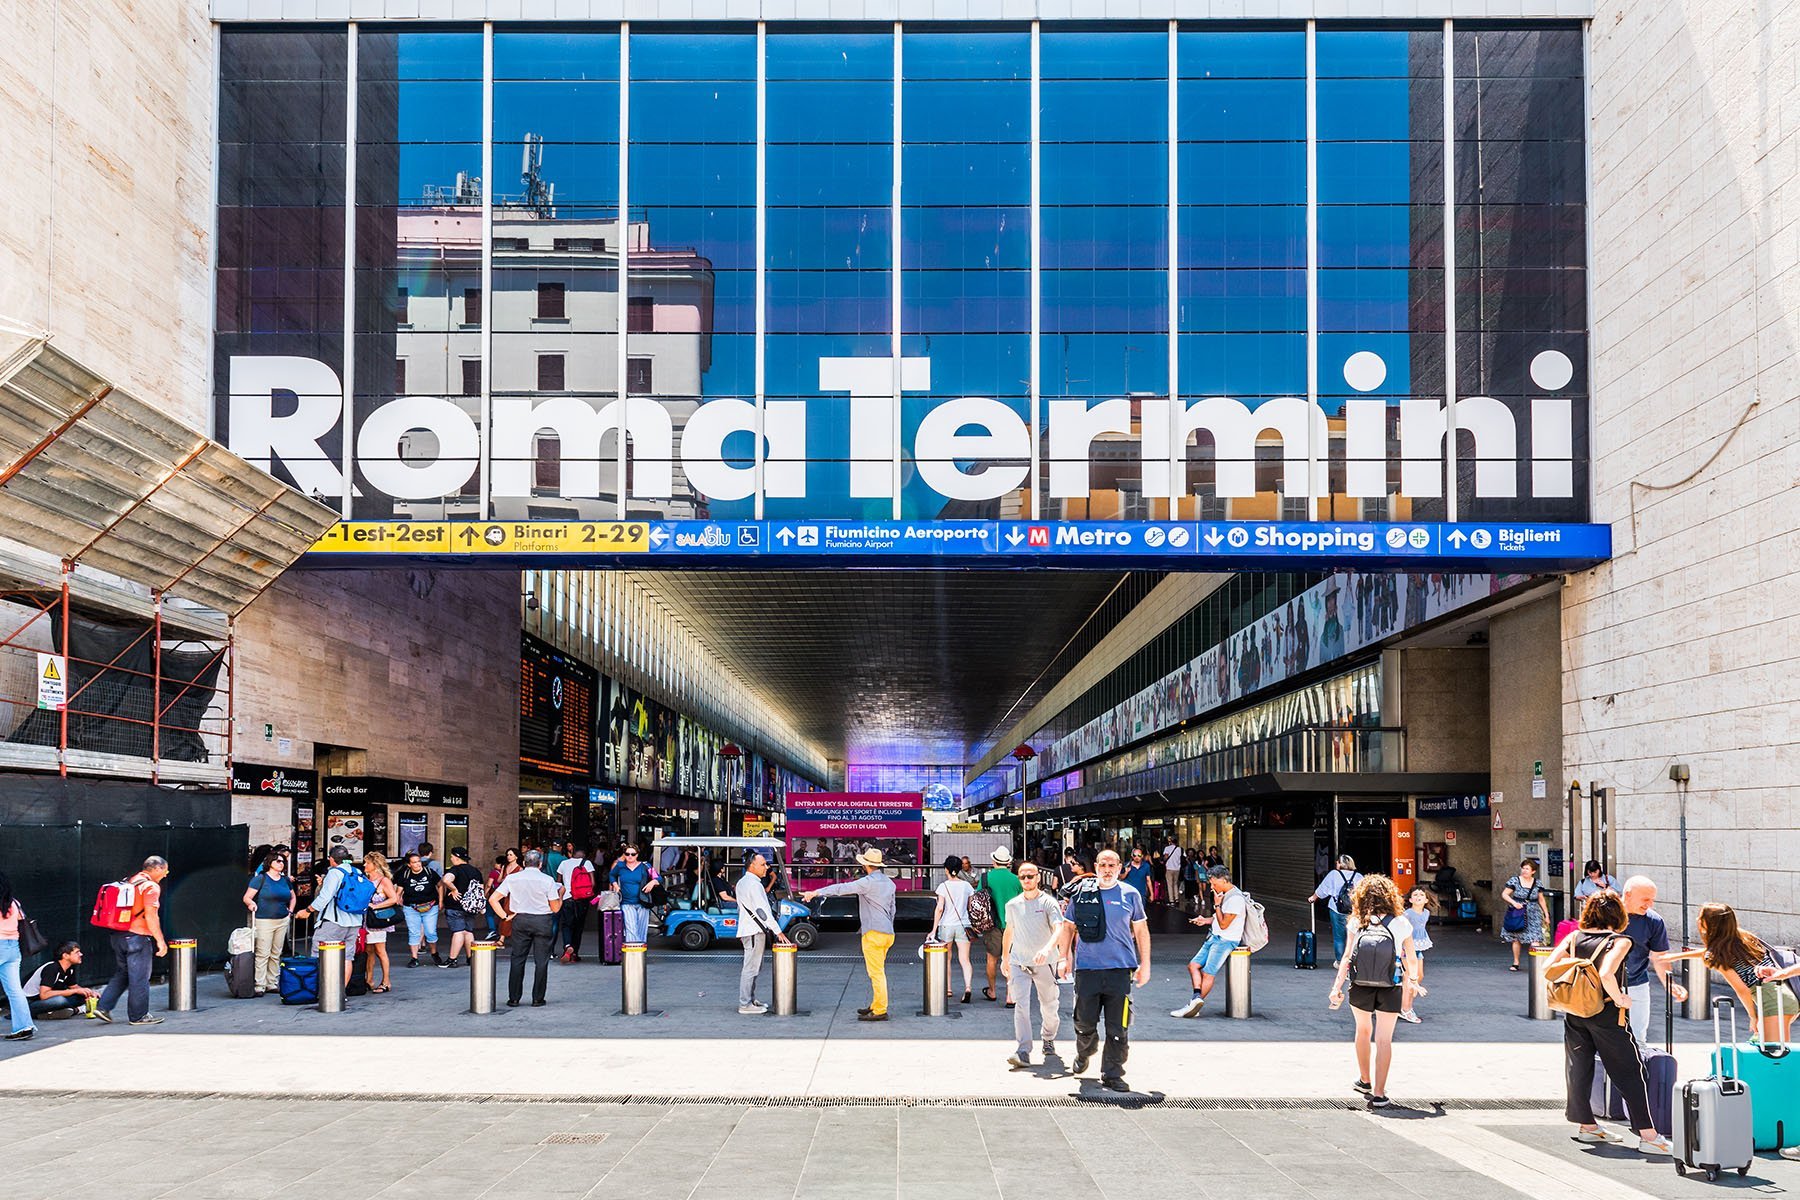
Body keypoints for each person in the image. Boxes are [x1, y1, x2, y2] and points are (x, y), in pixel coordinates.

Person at [1547, 891, 1672, 1154]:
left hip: (1576, 1011)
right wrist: (1620, 998)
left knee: (1578, 1069)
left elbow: (1549, 965)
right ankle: (1648, 1136)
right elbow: (1606, 973)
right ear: (1618, 914)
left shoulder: (1573, 937)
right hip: (1606, 1013)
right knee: (1630, 1070)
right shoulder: (1620, 941)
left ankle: (1587, 1126)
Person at [1055, 848, 1150, 1093]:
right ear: (1096, 866)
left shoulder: (1131, 894)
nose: (1107, 870)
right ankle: (1085, 1049)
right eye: (1103, 865)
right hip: (1087, 969)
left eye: (1112, 866)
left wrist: (1145, 964)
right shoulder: (1082, 893)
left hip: (1120, 970)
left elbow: (1141, 931)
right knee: (1084, 1022)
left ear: (1120, 868)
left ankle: (1113, 1073)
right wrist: (1063, 959)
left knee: (1118, 1026)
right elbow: (1068, 927)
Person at [1327, 873, 1417, 1110]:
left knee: (1363, 1030)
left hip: (1360, 985)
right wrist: (1413, 980)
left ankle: (1365, 1080)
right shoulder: (1401, 922)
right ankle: (1379, 1093)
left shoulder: (1357, 921)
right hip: (1391, 985)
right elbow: (1411, 958)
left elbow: (1347, 957)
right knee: (1384, 1039)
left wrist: (1336, 988)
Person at [1669, 902, 1800, 1044]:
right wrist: (1675, 956)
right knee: (1775, 1053)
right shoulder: (1743, 937)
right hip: (1784, 995)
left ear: (1707, 924)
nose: (1697, 920)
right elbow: (1709, 951)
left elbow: (1742, 990)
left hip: (1773, 1001)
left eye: (1701, 916)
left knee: (1776, 1056)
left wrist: (1753, 1016)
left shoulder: (1718, 955)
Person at [803, 848, 897, 1022]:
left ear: (866, 865)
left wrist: (815, 892)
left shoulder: (867, 882)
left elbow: (841, 888)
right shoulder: (890, 883)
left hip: (873, 933)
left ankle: (880, 1009)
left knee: (876, 973)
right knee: (878, 971)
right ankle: (876, 1004)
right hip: (887, 933)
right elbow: (893, 909)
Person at [95, 855, 171, 1027]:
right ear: (157, 869)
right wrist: (160, 941)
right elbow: (151, 916)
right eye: (165, 871)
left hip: (118, 935)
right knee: (140, 978)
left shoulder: (130, 881)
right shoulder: (150, 886)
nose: (166, 875)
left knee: (123, 973)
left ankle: (104, 1006)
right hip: (137, 938)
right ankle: (139, 1016)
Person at [1002, 861, 1064, 1068]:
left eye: (1031, 876)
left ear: (1038, 877)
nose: (1027, 880)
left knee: (1049, 1006)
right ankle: (1023, 1051)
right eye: (1023, 877)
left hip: (1045, 964)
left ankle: (1048, 1037)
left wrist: (1047, 949)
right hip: (1019, 962)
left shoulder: (1048, 903)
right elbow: (1008, 932)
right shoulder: (1012, 905)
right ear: (1018, 879)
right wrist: (1005, 958)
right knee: (1021, 1006)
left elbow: (1058, 928)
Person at [487, 849, 563, 1007]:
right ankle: (537, 998)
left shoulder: (513, 878)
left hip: (520, 919)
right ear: (540, 864)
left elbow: (493, 899)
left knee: (517, 959)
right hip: (542, 920)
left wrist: (504, 916)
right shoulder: (547, 880)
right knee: (541, 961)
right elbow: (555, 908)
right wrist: (561, 894)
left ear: (523, 863)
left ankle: (514, 998)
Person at [1617, 875, 1685, 1043]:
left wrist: (1670, 984)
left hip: (1637, 985)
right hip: (1603, 985)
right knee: (1604, 1040)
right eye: (1645, 899)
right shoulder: (1605, 915)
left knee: (1638, 1039)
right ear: (1628, 894)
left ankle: (1637, 1068)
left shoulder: (1654, 921)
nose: (1650, 904)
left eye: (1652, 900)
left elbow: (1659, 956)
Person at [1173, 865, 1246, 1018]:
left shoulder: (1236, 898)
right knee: (1193, 965)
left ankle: (1192, 1006)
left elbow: (1225, 924)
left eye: (1213, 883)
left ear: (1224, 880)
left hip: (1225, 940)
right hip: (1214, 936)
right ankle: (1196, 999)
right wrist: (1205, 920)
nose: (1211, 887)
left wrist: (1217, 904)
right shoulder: (1225, 894)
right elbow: (1218, 919)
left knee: (1208, 973)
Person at [733, 851, 791, 1014]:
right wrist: (778, 931)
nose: (767, 867)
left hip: (749, 929)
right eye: (763, 864)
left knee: (753, 967)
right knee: (751, 968)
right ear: (752, 866)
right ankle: (745, 1004)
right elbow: (762, 911)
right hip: (754, 930)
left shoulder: (742, 882)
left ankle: (750, 999)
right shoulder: (754, 885)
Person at [307, 846, 364, 994]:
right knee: (347, 957)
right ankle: (340, 993)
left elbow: (324, 898)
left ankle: (323, 991)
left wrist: (307, 910)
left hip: (334, 920)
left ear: (331, 859)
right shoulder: (357, 872)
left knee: (320, 952)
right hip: (355, 921)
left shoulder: (334, 873)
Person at [241, 851, 295, 996]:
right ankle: (260, 984)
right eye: (278, 861)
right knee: (263, 953)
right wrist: (252, 905)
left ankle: (272, 983)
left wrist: (290, 911)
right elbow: (247, 897)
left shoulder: (285, 880)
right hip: (264, 920)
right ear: (269, 863)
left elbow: (292, 896)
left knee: (276, 953)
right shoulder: (260, 879)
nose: (281, 863)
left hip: (282, 919)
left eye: (283, 861)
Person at [931, 855, 977, 1004]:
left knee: (947, 959)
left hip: (946, 926)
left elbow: (939, 908)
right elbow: (970, 908)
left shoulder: (943, 887)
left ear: (947, 870)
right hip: (964, 925)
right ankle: (968, 987)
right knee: (965, 959)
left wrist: (933, 930)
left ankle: (948, 989)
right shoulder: (967, 886)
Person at [982, 847, 1022, 1005]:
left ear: (994, 861)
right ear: (1008, 863)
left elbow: (979, 899)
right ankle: (1010, 995)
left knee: (992, 959)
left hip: (992, 925)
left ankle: (992, 991)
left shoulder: (986, 878)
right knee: (1011, 959)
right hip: (1014, 925)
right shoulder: (1016, 879)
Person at [1308, 855, 1363, 967]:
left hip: (1336, 909)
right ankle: (1354, 960)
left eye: (1337, 862)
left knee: (1339, 937)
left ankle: (1340, 961)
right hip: (1354, 911)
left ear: (1341, 864)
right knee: (1354, 936)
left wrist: (1313, 898)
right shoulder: (1358, 876)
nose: (1336, 864)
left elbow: (1322, 890)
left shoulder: (1333, 874)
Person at [0, 872, 37, 1040]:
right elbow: (22, 919)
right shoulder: (14, 903)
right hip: (13, 948)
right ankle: (24, 1026)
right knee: (15, 991)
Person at [361, 852, 404, 994]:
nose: (364, 865)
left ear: (375, 865)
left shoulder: (384, 881)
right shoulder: (365, 879)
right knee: (368, 951)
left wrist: (375, 906)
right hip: (366, 921)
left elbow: (394, 899)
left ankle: (386, 981)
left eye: (367, 863)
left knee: (380, 950)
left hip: (378, 921)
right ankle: (369, 979)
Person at [395, 851, 445, 968]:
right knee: (414, 933)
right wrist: (398, 899)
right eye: (414, 862)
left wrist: (441, 900)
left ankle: (434, 953)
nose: (417, 864)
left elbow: (441, 884)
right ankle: (414, 958)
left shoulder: (429, 872)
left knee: (430, 932)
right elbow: (399, 891)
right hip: (411, 907)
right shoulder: (405, 875)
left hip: (430, 906)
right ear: (409, 865)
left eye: (419, 862)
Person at [1500, 857, 1551, 970]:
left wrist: (1546, 915)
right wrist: (1514, 903)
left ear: (1533, 871)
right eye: (1523, 868)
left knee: (1535, 938)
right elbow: (1505, 894)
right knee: (1516, 938)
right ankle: (1516, 962)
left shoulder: (1537, 883)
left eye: (1527, 869)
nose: (1524, 871)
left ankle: (1536, 964)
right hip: (1518, 911)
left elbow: (1541, 899)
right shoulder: (1515, 881)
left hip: (1534, 912)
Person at [440, 847, 486, 967]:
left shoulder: (455, 869)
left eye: (451, 856)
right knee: (468, 932)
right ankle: (471, 958)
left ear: (456, 857)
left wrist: (454, 889)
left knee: (458, 932)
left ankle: (452, 959)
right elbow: (481, 889)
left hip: (456, 906)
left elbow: (446, 879)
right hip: (471, 907)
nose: (451, 858)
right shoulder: (475, 871)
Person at [27, 942, 97, 1020]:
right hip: (31, 1004)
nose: (81, 954)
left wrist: (89, 992)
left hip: (48, 1001)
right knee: (60, 1001)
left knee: (84, 996)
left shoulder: (69, 968)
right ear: (65, 955)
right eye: (77, 952)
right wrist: (75, 991)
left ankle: (50, 1013)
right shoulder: (51, 968)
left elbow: (74, 987)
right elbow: (44, 995)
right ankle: (77, 1010)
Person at [554, 845, 596, 961]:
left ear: (572, 853)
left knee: (567, 925)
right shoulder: (587, 863)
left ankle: (567, 946)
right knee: (579, 926)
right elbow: (592, 883)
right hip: (582, 899)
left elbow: (558, 882)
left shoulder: (564, 863)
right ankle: (575, 954)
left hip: (567, 897)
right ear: (583, 854)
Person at [1398, 887, 1434, 1024]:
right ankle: (1406, 1008)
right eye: (1415, 894)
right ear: (1411, 899)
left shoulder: (1426, 913)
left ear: (1426, 900)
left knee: (1419, 975)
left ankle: (1405, 1000)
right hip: (1407, 948)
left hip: (1419, 947)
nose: (1418, 896)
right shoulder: (1407, 914)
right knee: (1409, 977)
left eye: (1421, 895)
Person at [608, 844, 656, 945]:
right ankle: (632, 954)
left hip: (643, 902)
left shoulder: (645, 866)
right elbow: (611, 875)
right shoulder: (620, 866)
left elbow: (658, 878)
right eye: (627, 854)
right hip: (626, 902)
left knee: (642, 930)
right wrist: (615, 885)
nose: (630, 856)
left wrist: (652, 883)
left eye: (633, 854)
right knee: (631, 928)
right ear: (624, 855)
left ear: (637, 855)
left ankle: (640, 955)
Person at [1161, 839, 1183, 906]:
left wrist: (1163, 861)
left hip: (1169, 868)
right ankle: (1177, 899)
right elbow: (1183, 857)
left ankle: (1171, 901)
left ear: (1170, 842)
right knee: (1175, 884)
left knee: (1170, 885)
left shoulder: (1167, 848)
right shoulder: (1180, 849)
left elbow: (1166, 856)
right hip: (1177, 868)